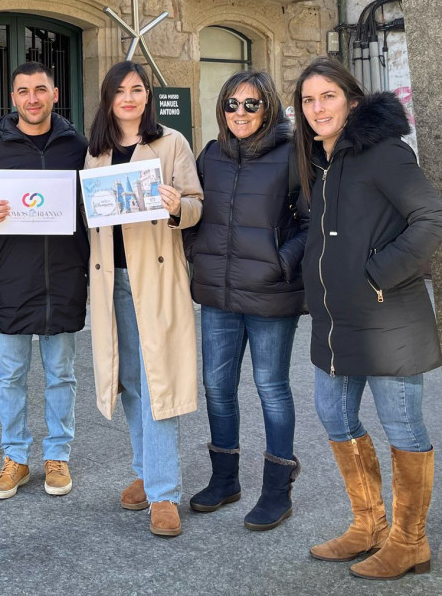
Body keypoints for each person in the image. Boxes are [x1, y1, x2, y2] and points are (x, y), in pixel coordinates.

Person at [294, 57, 442, 580]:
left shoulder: (383, 153)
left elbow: (431, 216)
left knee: (402, 425)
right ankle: (369, 524)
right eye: (309, 100)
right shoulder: (324, 161)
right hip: (335, 323)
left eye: (327, 97)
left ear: (352, 101)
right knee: (333, 415)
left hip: (389, 324)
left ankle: (410, 542)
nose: (317, 109)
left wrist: (378, 275)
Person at [0, 61, 89, 499]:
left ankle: (57, 456)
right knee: (10, 375)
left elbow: (93, 209)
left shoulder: (77, 147)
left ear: (54, 94)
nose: (33, 98)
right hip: (10, 278)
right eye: (24, 91)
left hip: (63, 278)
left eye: (41, 89)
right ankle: (15, 458)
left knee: (61, 374)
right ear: (13, 99)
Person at [184, 71, 308, 531]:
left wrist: (281, 262)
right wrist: (195, 252)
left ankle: (277, 490)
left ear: (268, 108)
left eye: (251, 105)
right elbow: (194, 212)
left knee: (271, 388)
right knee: (217, 388)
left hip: (271, 291)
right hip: (218, 292)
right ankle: (225, 480)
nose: (240, 113)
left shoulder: (293, 155)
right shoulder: (210, 154)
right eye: (232, 104)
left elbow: (312, 222)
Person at [85, 61, 202, 537]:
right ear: (108, 99)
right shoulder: (94, 153)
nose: (129, 98)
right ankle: (145, 469)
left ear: (147, 97)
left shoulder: (170, 143)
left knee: (160, 385)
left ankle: (164, 492)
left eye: (138, 90)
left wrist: (179, 208)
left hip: (152, 280)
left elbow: (197, 204)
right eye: (120, 91)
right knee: (129, 381)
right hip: (109, 280)